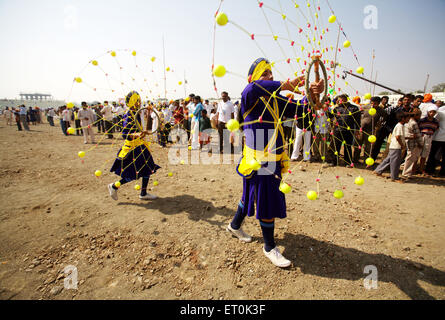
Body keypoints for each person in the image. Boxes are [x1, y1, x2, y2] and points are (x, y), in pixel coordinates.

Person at [227, 57, 324, 268]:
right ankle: (269, 247)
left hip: (272, 160)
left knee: (249, 196)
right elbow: (256, 86)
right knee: (267, 203)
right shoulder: (249, 94)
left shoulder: (277, 101)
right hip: (258, 161)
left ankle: (234, 225)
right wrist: (297, 82)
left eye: (271, 72)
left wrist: (312, 94)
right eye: (265, 73)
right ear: (253, 78)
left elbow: (302, 113)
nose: (270, 76)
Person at [108, 91, 160, 201]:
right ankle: (114, 186)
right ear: (133, 102)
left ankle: (143, 193)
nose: (140, 102)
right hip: (133, 149)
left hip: (141, 146)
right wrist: (138, 134)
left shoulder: (136, 113)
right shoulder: (129, 115)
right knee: (132, 174)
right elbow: (125, 134)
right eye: (138, 100)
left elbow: (142, 127)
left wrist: (144, 131)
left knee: (147, 169)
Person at [371, 95, 413, 161]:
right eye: (405, 100)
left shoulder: (412, 110)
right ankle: (372, 159)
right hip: (386, 128)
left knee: (393, 146)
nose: (406, 101)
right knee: (377, 144)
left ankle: (389, 161)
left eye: (408, 100)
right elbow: (384, 115)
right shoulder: (394, 109)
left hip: (398, 130)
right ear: (402, 101)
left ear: (411, 101)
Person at [373, 111, 409, 182]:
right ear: (402, 118)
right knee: (395, 162)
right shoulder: (400, 126)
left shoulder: (400, 125)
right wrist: (402, 145)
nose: (408, 120)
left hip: (394, 146)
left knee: (389, 160)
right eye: (407, 118)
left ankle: (378, 170)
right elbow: (398, 137)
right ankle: (394, 177)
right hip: (396, 146)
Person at [329, 94, 361, 167]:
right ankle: (334, 162)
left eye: (342, 99)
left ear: (346, 99)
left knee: (348, 146)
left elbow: (357, 120)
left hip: (349, 130)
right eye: (340, 99)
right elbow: (330, 116)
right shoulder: (336, 108)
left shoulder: (354, 108)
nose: (341, 101)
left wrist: (357, 130)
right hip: (338, 130)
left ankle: (347, 162)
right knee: (336, 146)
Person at [354, 96, 386, 164]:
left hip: (370, 131)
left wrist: (379, 124)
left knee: (368, 147)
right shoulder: (365, 107)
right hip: (361, 129)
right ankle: (355, 160)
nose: (373, 105)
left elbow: (385, 117)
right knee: (358, 145)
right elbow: (357, 114)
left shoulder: (381, 110)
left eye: (375, 103)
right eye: (372, 103)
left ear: (378, 103)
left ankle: (366, 161)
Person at [402, 109, 423, 179]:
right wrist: (421, 143)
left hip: (407, 141)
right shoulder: (414, 123)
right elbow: (417, 135)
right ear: (416, 115)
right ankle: (407, 173)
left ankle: (406, 172)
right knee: (411, 158)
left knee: (409, 157)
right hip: (413, 143)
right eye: (419, 115)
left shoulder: (407, 122)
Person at [418, 105, 439, 175]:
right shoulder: (422, 120)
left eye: (433, 112)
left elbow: (436, 129)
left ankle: (421, 169)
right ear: (428, 112)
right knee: (417, 153)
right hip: (422, 136)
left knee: (424, 154)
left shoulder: (436, 121)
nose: (432, 113)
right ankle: (413, 169)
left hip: (429, 137)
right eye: (430, 112)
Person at [425, 106, 445, 177]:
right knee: (433, 155)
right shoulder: (441, 113)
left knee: (433, 155)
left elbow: (434, 120)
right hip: (438, 137)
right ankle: (433, 171)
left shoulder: (441, 112)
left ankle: (430, 170)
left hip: (438, 137)